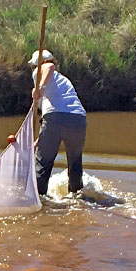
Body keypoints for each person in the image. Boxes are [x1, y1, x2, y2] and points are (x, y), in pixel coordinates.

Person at [29, 50, 87, 196]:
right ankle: (76, 198)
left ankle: (39, 199)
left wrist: (39, 87)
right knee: (75, 164)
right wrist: (39, 140)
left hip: (55, 118)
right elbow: (47, 117)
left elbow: (48, 67)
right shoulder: (63, 80)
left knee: (43, 163)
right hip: (78, 119)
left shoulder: (41, 71)